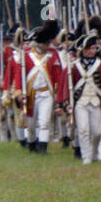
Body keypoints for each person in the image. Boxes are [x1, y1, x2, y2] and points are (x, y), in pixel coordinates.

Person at [68, 32, 101, 164]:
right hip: (81, 102)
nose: (91, 51)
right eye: (88, 48)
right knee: (83, 130)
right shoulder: (74, 65)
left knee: (98, 132)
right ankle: (86, 157)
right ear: (83, 50)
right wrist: (65, 103)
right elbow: (68, 85)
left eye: (93, 48)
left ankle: (94, 153)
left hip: (96, 102)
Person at [23, 20, 67, 154]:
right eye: (45, 43)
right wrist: (20, 93)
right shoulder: (26, 54)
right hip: (30, 93)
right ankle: (31, 144)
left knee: (44, 122)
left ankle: (43, 147)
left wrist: (59, 95)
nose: (47, 46)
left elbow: (58, 75)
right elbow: (21, 76)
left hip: (46, 93)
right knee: (31, 125)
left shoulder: (53, 54)